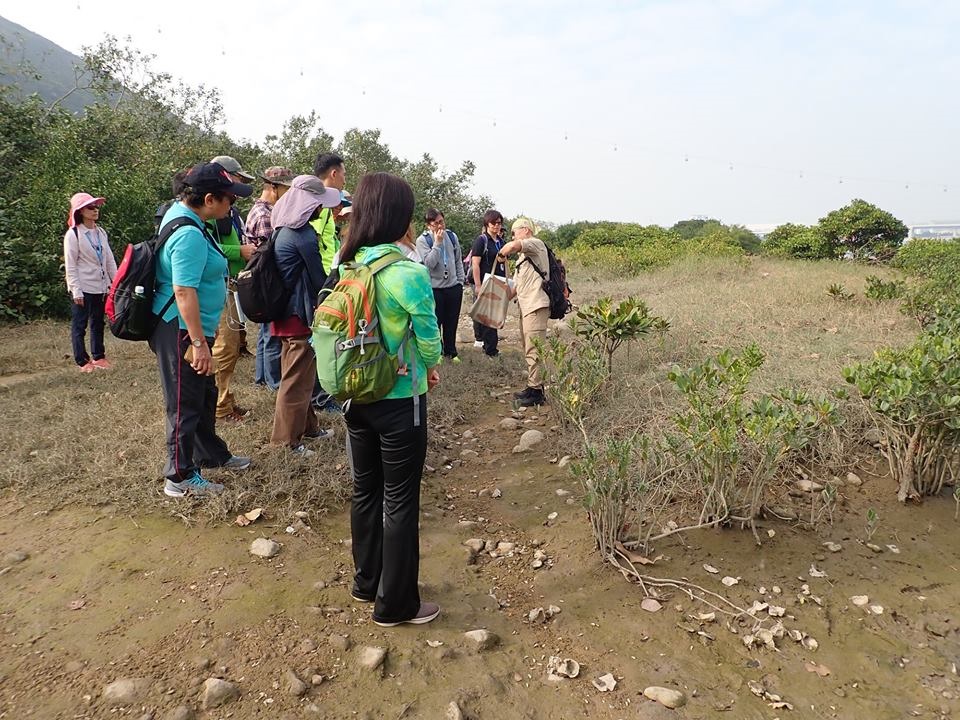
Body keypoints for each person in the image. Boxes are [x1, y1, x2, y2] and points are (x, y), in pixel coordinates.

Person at [340, 172, 442, 627]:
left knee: (366, 489)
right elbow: (429, 340)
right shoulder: (408, 273)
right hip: (401, 400)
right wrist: (431, 367)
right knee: (400, 499)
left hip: (354, 396)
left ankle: (367, 583)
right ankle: (396, 604)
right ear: (399, 216)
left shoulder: (348, 266)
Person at [149, 163, 253, 497]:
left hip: (193, 328)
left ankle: (210, 455)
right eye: (229, 201)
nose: (231, 207)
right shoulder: (189, 234)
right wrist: (197, 343)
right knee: (184, 402)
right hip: (181, 330)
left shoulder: (193, 219)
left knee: (203, 395)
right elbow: (183, 291)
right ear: (209, 199)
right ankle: (178, 478)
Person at [270, 175, 343, 454]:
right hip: (297, 316)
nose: (320, 209)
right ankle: (286, 441)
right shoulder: (303, 236)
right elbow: (318, 280)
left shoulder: (282, 230)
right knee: (295, 380)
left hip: (286, 313)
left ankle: (309, 428)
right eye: (318, 204)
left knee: (303, 375)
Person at [208, 155, 256, 422]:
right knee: (224, 347)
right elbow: (208, 246)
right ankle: (219, 407)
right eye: (237, 178)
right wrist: (240, 250)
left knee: (233, 345)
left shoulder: (232, 211)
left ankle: (225, 399)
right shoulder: (211, 212)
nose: (240, 185)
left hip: (232, 284)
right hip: (220, 285)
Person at [245, 166, 293, 391]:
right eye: (286, 188)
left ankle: (262, 378)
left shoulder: (260, 210)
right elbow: (270, 252)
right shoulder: (266, 216)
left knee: (266, 334)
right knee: (271, 335)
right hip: (265, 279)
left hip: (260, 280)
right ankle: (274, 383)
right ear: (273, 188)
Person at [497, 217, 550, 407]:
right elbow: (516, 288)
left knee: (534, 348)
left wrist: (502, 253)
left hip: (536, 305)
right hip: (526, 306)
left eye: (514, 231)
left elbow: (512, 246)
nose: (512, 235)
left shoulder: (536, 244)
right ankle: (533, 386)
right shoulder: (523, 258)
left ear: (526, 230)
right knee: (528, 347)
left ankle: (536, 391)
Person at [64, 193, 118, 372]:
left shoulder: (100, 232)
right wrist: (76, 290)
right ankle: (82, 361)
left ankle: (99, 357)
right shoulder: (74, 234)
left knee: (98, 322)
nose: (95, 210)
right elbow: (70, 265)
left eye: (96, 207)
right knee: (80, 324)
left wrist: (116, 282)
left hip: (100, 286)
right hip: (83, 286)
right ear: (80, 211)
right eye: (90, 207)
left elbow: (109, 259)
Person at [416, 209, 464, 362]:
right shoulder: (422, 241)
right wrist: (437, 243)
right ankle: (437, 353)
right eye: (435, 223)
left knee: (452, 321)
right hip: (434, 288)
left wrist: (460, 282)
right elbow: (429, 263)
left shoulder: (452, 236)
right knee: (436, 322)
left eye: (441, 221)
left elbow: (458, 260)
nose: (439, 226)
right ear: (429, 225)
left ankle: (451, 352)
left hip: (453, 286)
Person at [470, 209, 507, 357]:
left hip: (498, 282)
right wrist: (478, 285)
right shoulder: (482, 240)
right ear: (487, 224)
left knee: (494, 315)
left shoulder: (500, 241)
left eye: (499, 223)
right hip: (486, 282)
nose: (497, 226)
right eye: (494, 223)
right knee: (488, 316)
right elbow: (475, 264)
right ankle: (490, 349)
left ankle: (490, 347)